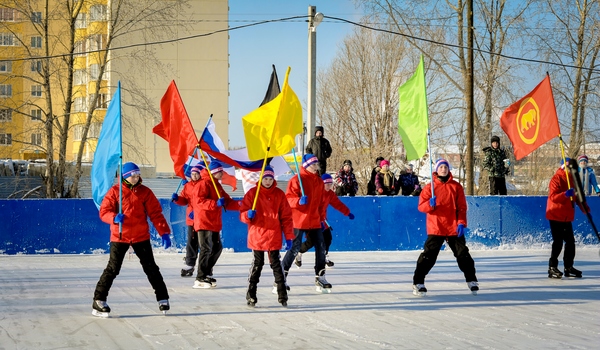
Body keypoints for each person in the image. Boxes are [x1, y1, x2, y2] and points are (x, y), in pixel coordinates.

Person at [93, 162, 172, 317]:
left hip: (140, 236)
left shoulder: (145, 192)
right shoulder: (115, 192)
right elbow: (104, 212)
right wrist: (114, 218)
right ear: (125, 177)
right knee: (113, 269)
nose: (136, 178)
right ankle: (98, 300)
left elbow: (155, 213)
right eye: (133, 176)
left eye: (137, 175)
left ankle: (162, 298)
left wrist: (164, 232)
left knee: (151, 268)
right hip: (120, 236)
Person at [412, 159, 478, 296]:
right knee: (429, 256)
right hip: (436, 227)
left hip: (453, 227)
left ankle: (471, 280)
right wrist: (430, 204)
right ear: (436, 170)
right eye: (441, 167)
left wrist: (461, 223)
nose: (443, 169)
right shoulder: (430, 187)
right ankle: (418, 282)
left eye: (445, 167)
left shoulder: (456, 187)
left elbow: (462, 207)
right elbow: (421, 207)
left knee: (463, 254)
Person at [239, 166, 295, 307]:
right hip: (257, 235)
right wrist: (247, 215)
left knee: (276, 265)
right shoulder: (253, 193)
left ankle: (282, 294)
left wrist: (289, 236)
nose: (268, 182)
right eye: (266, 179)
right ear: (261, 179)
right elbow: (242, 214)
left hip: (273, 236)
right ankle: (251, 294)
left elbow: (286, 217)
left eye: (270, 179)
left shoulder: (279, 194)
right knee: (257, 265)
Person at [281, 153, 331, 293]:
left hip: (314, 220)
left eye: (317, 164)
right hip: (298, 220)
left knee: (321, 247)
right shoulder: (297, 180)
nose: (316, 167)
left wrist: (322, 219)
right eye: (314, 164)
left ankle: (320, 276)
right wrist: (298, 201)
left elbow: (321, 204)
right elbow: (288, 199)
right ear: (307, 165)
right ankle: (281, 277)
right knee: (294, 248)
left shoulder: (319, 181)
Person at [190, 160, 240, 289]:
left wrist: (242, 205)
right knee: (206, 248)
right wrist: (215, 204)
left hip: (214, 222)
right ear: (214, 172)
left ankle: (206, 273)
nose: (222, 174)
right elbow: (198, 202)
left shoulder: (216, 185)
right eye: (220, 172)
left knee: (217, 248)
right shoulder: (203, 184)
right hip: (204, 221)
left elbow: (227, 201)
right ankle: (200, 277)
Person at [295, 173, 355, 268]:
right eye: (327, 184)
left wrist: (347, 212)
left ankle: (324, 256)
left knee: (328, 239)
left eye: (330, 184)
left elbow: (338, 204)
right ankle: (299, 252)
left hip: (323, 220)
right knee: (311, 242)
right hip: (312, 220)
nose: (329, 186)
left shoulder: (330, 194)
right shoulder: (315, 192)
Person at [546, 158, 588, 279]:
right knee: (558, 242)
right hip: (555, 215)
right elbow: (553, 197)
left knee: (570, 242)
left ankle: (568, 267)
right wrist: (565, 194)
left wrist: (585, 209)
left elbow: (578, 198)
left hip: (566, 216)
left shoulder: (573, 180)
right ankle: (552, 267)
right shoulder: (556, 179)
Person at [172, 165, 202, 277]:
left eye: (196, 173)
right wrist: (177, 199)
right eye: (192, 174)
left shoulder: (204, 185)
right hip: (191, 220)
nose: (194, 176)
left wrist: (198, 211)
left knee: (204, 244)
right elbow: (184, 200)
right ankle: (190, 264)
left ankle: (206, 266)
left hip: (202, 219)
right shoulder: (188, 186)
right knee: (191, 242)